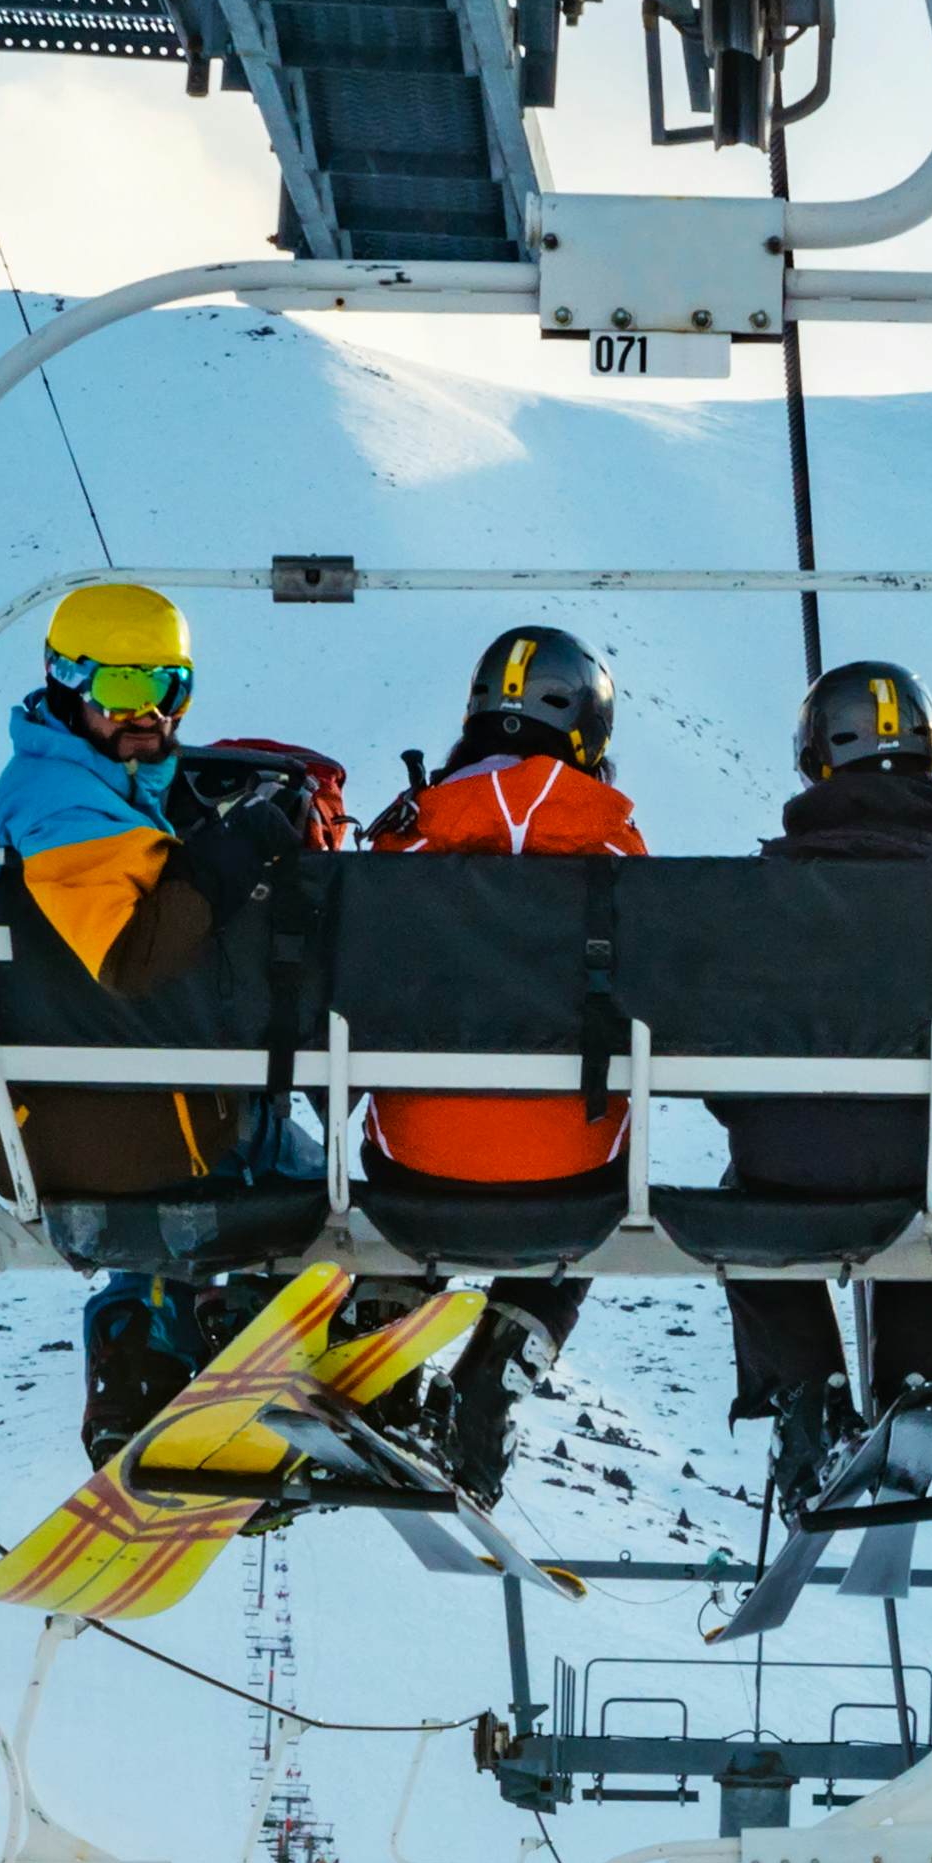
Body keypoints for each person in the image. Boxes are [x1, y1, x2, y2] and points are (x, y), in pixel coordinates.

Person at [0, 582, 335, 1456]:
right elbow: (132, 956)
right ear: (65, 681)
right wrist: (236, 852)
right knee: (351, 1201)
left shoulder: (80, 788)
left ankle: (140, 1348)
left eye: (167, 689)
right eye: (121, 690)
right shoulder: (62, 806)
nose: (148, 715)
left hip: (81, 1116)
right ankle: (241, 1337)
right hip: (129, 1127)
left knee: (182, 1158)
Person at [711, 661, 932, 1509]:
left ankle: (807, 1394)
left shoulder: (758, 895)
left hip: (792, 1164)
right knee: (922, 1192)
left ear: (817, 761)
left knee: (749, 1196)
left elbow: (713, 1056)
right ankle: (920, 1381)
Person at [361, 630, 643, 1495]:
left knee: (424, 1138)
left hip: (416, 1169)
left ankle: (386, 1332)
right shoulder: (620, 852)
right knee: (587, 1193)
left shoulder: (405, 843)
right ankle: (496, 1373)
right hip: (571, 1177)